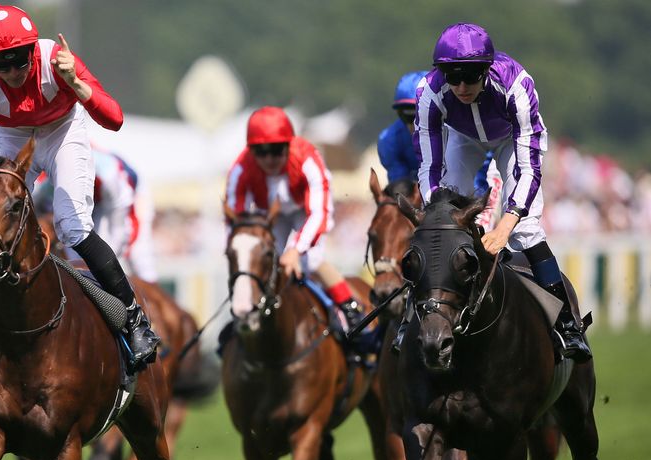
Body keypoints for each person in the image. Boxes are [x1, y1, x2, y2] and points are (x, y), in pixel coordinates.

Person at [0, 4, 159, 372]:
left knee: (72, 227)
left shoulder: (56, 58)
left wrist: (77, 84)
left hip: (62, 130)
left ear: (32, 50)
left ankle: (133, 321)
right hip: (11, 133)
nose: (11, 72)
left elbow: (114, 119)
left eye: (19, 61)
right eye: (0, 65)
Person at [401, 22, 590, 362]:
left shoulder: (516, 85)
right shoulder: (429, 93)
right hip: (462, 139)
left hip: (510, 140)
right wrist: (438, 214)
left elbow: (529, 168)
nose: (460, 86)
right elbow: (429, 166)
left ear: (486, 70)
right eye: (451, 76)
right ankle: (411, 317)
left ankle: (567, 327)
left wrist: (505, 225)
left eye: (470, 76)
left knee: (527, 229)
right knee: (442, 220)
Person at [225, 106, 365, 336]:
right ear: (251, 151)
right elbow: (235, 222)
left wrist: (296, 249)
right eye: (261, 151)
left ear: (289, 145)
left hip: (305, 211)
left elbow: (319, 213)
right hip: (270, 217)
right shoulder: (240, 169)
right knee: (263, 261)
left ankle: (349, 306)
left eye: (277, 150)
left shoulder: (308, 159)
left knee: (311, 260)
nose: (269, 159)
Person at [378, 70, 499, 226]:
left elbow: (477, 178)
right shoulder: (388, 141)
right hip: (434, 196)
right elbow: (403, 191)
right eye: (405, 116)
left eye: (416, 115)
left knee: (481, 229)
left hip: (482, 180)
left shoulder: (460, 129)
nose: (411, 125)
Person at [33, 147, 159, 283]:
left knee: (138, 256)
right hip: (97, 196)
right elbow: (36, 211)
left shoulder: (109, 177)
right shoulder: (52, 180)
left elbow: (119, 232)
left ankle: (146, 292)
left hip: (126, 194)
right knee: (75, 249)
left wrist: (103, 263)